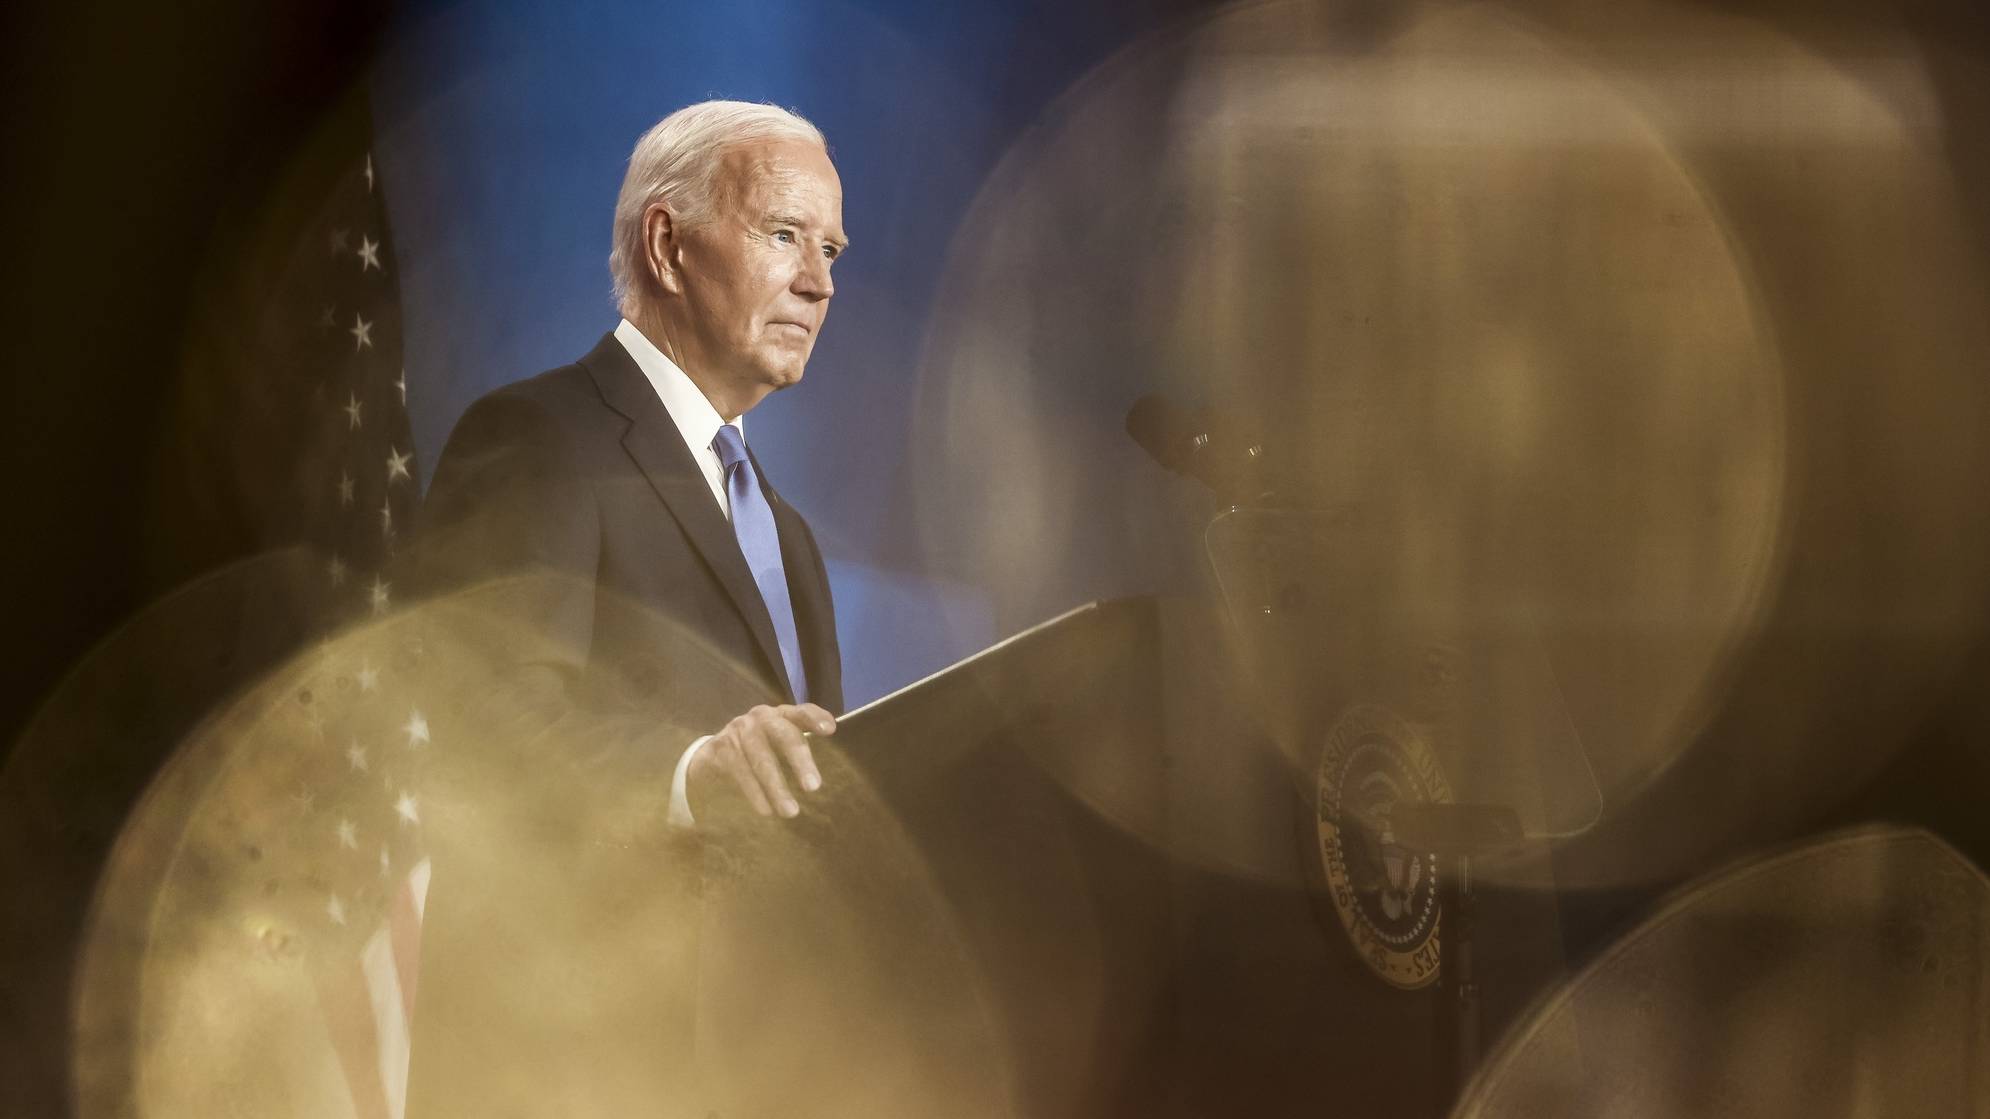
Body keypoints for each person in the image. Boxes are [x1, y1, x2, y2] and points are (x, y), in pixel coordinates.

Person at [406, 100, 852, 1115]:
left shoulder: (789, 537)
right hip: (571, 1064)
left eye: (830, 249)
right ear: (667, 243)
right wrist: (688, 775)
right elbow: (474, 714)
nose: (820, 283)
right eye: (784, 234)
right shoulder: (535, 436)